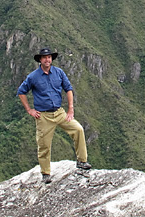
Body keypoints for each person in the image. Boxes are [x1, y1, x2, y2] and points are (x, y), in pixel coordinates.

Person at [17, 47, 92, 183]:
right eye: (45, 57)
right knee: (44, 145)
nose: (47, 59)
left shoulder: (59, 72)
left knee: (78, 129)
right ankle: (46, 173)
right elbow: (21, 92)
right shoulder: (33, 76)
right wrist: (29, 110)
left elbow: (68, 89)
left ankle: (82, 161)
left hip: (59, 112)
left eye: (49, 57)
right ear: (40, 60)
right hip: (43, 116)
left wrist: (71, 109)